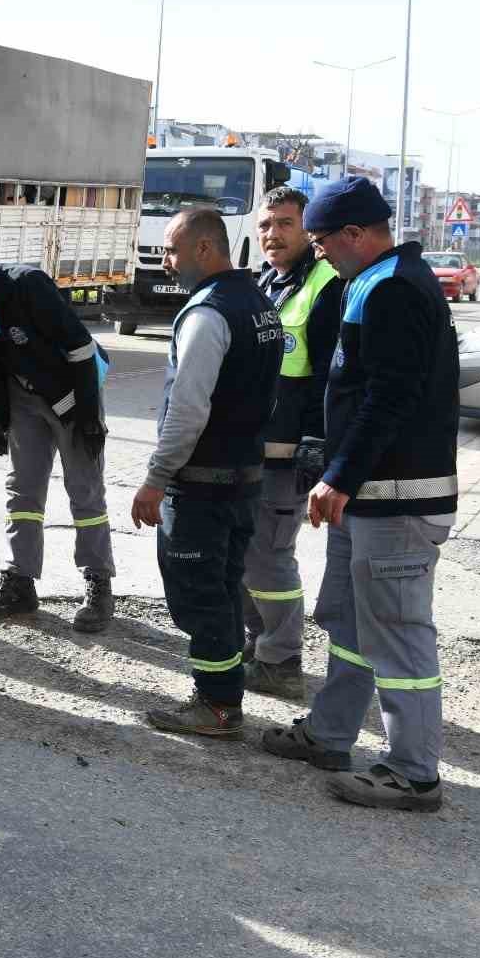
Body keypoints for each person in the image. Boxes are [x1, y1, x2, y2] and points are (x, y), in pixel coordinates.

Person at [261, 176, 459, 812]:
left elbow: (390, 398)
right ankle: (330, 733)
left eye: (322, 240)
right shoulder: (373, 281)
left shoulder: (395, 288)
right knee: (348, 621)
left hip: (397, 499)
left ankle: (414, 773)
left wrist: (340, 475)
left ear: (354, 234)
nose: (318, 251)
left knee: (398, 633)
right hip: (368, 496)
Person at [133, 208, 282, 739]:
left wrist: (156, 479)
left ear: (203, 249)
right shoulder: (260, 304)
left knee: (200, 597)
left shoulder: (207, 313)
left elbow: (188, 409)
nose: (166, 262)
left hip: (201, 487)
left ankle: (217, 706)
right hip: (243, 480)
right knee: (222, 589)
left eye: (172, 250)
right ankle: (223, 695)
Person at [0, 227, 116, 632]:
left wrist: (88, 417)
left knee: (83, 487)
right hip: (23, 396)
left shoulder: (26, 285)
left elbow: (81, 347)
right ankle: (20, 581)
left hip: (71, 391)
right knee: (22, 489)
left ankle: (98, 581)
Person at [240, 187, 342, 700]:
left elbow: (331, 375)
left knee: (270, 557)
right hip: (253, 448)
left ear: (306, 228)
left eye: (284, 223)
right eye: (265, 224)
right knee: (246, 554)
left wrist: (316, 441)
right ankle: (259, 645)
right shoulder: (267, 282)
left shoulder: (326, 285)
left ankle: (282, 662)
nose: (272, 234)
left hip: (288, 455)